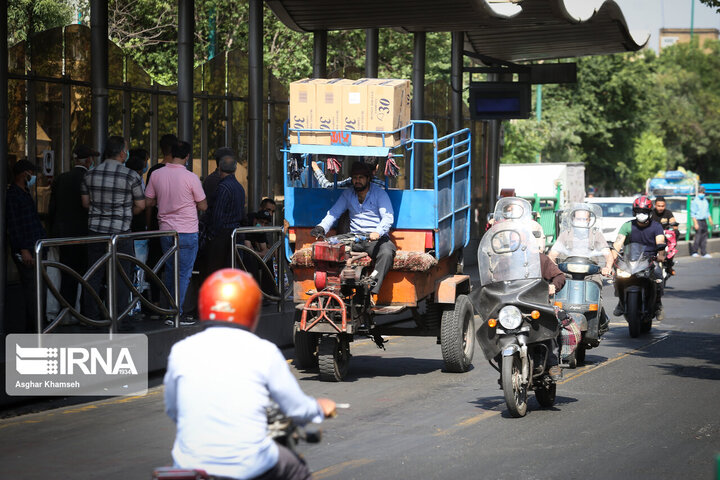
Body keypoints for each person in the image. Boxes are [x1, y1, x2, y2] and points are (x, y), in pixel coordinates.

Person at [164, 268, 335, 480]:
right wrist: (318, 408)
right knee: (295, 467)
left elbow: (173, 410)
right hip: (248, 465)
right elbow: (296, 408)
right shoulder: (264, 351)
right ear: (251, 309)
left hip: (188, 465)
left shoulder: (181, 351)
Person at [311, 161, 395, 305]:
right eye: (355, 177)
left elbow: (388, 217)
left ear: (368, 179)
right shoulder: (348, 194)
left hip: (374, 237)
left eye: (361, 177)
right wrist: (321, 227)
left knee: (387, 252)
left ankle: (371, 291)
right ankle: (332, 289)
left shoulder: (379, 194)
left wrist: (378, 232)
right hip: (354, 237)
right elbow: (334, 213)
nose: (357, 181)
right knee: (326, 246)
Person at [81, 136, 145, 322]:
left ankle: (90, 316)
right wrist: (124, 213)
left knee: (93, 274)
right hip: (121, 232)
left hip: (95, 232)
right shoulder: (131, 176)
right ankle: (119, 316)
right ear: (122, 153)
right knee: (121, 276)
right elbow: (140, 205)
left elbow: (85, 203)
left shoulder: (90, 174)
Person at [145, 141, 207, 324]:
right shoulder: (191, 178)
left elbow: (148, 202)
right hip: (187, 231)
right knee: (184, 273)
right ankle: (175, 313)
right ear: (187, 156)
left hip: (165, 231)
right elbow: (203, 205)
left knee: (170, 271)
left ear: (171, 153)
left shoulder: (156, 174)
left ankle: (169, 310)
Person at [48, 144, 99, 316]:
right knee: (87, 276)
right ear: (89, 160)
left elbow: (52, 208)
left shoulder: (61, 178)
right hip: (86, 234)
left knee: (67, 276)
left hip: (63, 235)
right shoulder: (90, 179)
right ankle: (85, 314)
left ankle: (66, 313)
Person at [6, 159, 46, 332]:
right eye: (31, 172)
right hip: (27, 249)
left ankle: (37, 324)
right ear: (24, 174)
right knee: (31, 289)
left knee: (37, 287)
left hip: (34, 245)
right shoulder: (13, 195)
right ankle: (34, 327)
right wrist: (23, 249)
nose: (34, 176)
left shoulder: (25, 192)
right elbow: (14, 224)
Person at [611, 196, 666, 319]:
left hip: (650, 259)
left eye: (645, 212)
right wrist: (610, 263)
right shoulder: (627, 226)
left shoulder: (656, 226)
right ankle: (621, 302)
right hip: (629, 260)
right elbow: (618, 243)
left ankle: (658, 304)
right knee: (617, 275)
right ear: (634, 212)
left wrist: (661, 255)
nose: (641, 214)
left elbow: (660, 242)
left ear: (649, 213)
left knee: (658, 274)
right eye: (639, 212)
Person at [198, 153, 245, 283]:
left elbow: (217, 215)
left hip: (221, 235)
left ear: (219, 168)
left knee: (215, 272)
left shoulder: (223, 188)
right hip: (234, 233)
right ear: (235, 169)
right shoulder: (239, 187)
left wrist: (211, 235)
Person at [548, 206, 613, 277]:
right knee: (558, 284)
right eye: (578, 219)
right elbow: (552, 255)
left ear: (589, 220)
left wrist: (607, 267)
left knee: (596, 283)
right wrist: (554, 267)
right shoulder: (566, 234)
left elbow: (608, 254)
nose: (581, 222)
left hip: (591, 273)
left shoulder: (596, 234)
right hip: (568, 273)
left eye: (584, 219)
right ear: (573, 219)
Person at [126, 149, 151, 316]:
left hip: (127, 230)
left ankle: (130, 306)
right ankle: (134, 306)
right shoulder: (136, 181)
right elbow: (143, 205)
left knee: (128, 268)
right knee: (137, 269)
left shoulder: (125, 178)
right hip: (138, 231)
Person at [310, 157, 384, 189]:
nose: (358, 180)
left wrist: (316, 169)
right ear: (377, 167)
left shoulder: (353, 182)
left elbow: (328, 186)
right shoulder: (383, 186)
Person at [690, 187, 714, 258]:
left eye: (703, 192)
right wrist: (695, 223)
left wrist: (710, 220)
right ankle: (694, 251)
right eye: (701, 192)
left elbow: (707, 212)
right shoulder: (695, 201)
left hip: (704, 220)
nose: (702, 194)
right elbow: (693, 214)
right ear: (699, 192)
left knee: (704, 237)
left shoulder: (705, 201)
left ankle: (704, 252)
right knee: (698, 236)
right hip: (698, 220)